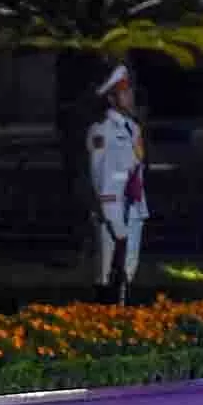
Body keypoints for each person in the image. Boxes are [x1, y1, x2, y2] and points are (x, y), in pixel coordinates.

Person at [86, 65, 147, 304]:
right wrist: (114, 219)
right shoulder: (103, 132)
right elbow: (103, 177)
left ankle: (120, 320)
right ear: (111, 98)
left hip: (132, 207)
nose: (129, 96)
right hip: (113, 210)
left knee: (127, 270)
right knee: (108, 272)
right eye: (123, 92)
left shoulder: (132, 128)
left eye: (129, 91)